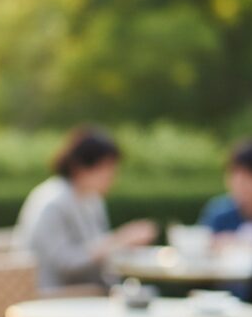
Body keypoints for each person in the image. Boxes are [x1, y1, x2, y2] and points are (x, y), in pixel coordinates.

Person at [15, 124, 157, 291]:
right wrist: (118, 240)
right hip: (56, 295)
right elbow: (65, 264)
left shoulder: (92, 200)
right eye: (106, 169)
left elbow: (98, 251)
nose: (112, 177)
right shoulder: (53, 202)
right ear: (80, 167)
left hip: (88, 290)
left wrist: (122, 244)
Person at [199, 138, 252, 245]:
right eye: (237, 177)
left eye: (251, 178)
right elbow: (202, 245)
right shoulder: (219, 212)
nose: (244, 186)